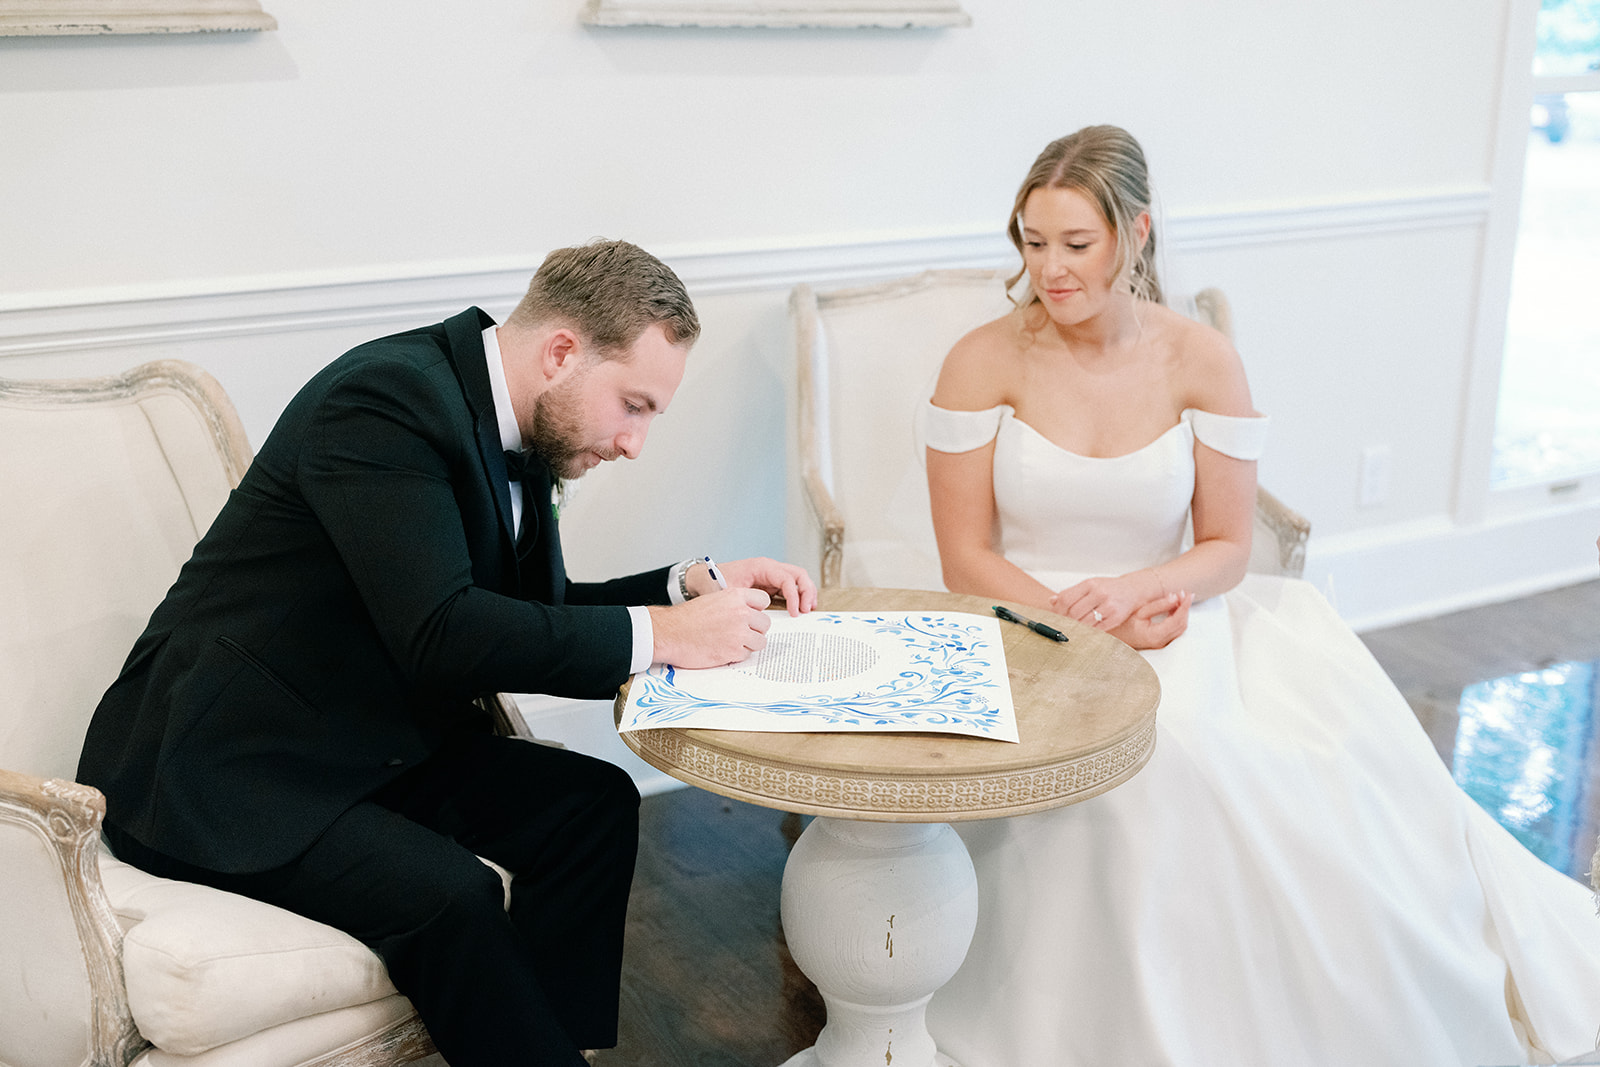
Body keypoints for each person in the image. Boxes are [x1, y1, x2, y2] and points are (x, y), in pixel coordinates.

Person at [919, 126, 1600, 1065]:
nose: (1051, 270)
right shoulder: (979, 360)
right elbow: (964, 555)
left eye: (1076, 245)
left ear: (1137, 233)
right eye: (1033, 243)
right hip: (1018, 620)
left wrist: (1137, 595)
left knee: (1214, 761)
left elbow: (1228, 548)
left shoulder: (1202, 359)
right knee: (1104, 777)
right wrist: (1073, 622)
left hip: (1166, 617)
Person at [76, 239, 817, 1067]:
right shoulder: (384, 401)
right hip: (223, 764)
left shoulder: (530, 423)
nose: (634, 442)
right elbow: (445, 632)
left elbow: (531, 614)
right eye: (634, 405)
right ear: (563, 352)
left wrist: (687, 587)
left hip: (364, 736)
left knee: (594, 806)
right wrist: (665, 638)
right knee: (449, 896)